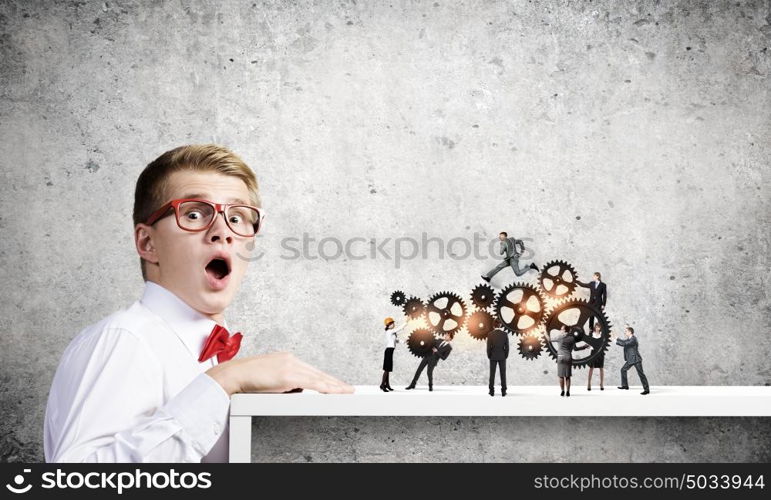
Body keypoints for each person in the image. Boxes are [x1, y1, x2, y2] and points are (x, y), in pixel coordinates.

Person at [43, 145, 353, 463]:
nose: (222, 232)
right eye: (193, 214)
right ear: (147, 243)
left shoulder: (205, 353)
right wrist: (225, 381)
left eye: (236, 217)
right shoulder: (124, 340)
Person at [548, 325, 585, 397]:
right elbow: (576, 349)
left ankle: (562, 391)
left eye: (561, 329)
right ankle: (568, 392)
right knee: (567, 376)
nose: (560, 330)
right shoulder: (572, 338)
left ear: (565, 330)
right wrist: (584, 347)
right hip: (568, 357)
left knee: (561, 376)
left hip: (560, 357)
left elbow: (549, 339)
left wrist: (544, 331)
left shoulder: (559, 337)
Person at [615, 326, 650, 395]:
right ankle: (625, 385)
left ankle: (646, 390)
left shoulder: (633, 339)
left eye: (626, 331)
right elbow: (624, 341)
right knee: (623, 370)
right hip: (630, 359)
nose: (625, 332)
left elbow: (624, 344)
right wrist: (617, 338)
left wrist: (615, 341)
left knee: (641, 374)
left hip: (636, 359)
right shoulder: (629, 339)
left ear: (630, 332)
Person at [381, 316, 409, 392]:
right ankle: (383, 385)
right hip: (388, 351)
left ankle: (387, 385)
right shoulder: (389, 331)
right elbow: (399, 329)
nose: (393, 324)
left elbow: (396, 340)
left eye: (393, 323)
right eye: (392, 323)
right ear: (388, 325)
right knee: (387, 369)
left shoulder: (391, 332)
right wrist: (406, 322)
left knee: (388, 369)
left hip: (390, 351)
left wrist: (404, 341)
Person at [486, 319, 509, 397]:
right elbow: (507, 347)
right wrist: (505, 355)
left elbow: (488, 347)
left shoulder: (490, 334)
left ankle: (491, 391)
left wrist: (489, 355)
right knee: (503, 374)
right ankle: (503, 391)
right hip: (502, 356)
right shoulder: (505, 334)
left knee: (492, 374)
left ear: (493, 325)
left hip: (493, 356)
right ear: (500, 325)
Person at [585, 323, 606, 391]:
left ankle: (601, 384)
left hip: (600, 352)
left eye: (599, 327)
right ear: (595, 327)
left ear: (600, 328)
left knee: (601, 368)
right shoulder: (592, 334)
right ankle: (589, 383)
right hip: (593, 352)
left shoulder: (602, 334)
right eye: (596, 327)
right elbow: (589, 342)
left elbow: (604, 343)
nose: (597, 328)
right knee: (591, 368)